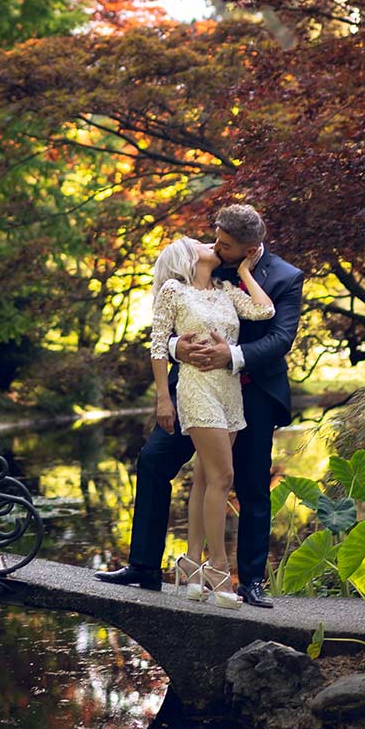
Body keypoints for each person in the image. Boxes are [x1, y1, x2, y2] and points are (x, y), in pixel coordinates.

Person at [95, 202, 304, 606]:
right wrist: (179, 347)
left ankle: (251, 581)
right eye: (216, 240)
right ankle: (144, 566)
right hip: (194, 387)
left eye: (225, 245)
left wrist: (233, 355)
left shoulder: (285, 277)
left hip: (253, 392)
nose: (215, 246)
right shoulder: (207, 261)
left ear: (248, 249)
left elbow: (281, 338)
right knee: (155, 461)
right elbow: (166, 322)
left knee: (250, 483)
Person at [147, 234, 275, 603]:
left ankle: (190, 563)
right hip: (196, 388)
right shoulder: (173, 290)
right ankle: (218, 570)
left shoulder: (226, 289)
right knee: (224, 476)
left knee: (205, 477)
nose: (210, 244)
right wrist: (162, 399)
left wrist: (246, 271)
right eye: (201, 243)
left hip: (229, 391)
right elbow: (158, 344)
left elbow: (264, 311)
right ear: (187, 257)